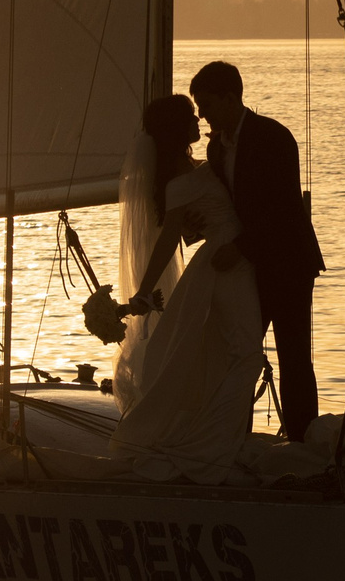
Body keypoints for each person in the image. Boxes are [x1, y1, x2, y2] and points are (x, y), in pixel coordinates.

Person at [108, 95, 266, 482]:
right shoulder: (179, 181)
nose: (199, 118)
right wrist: (144, 291)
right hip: (225, 265)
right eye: (189, 116)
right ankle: (208, 449)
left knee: (228, 355)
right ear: (176, 129)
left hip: (231, 258)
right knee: (246, 356)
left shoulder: (195, 166)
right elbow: (167, 243)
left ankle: (219, 441)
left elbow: (200, 221)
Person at [187, 59, 323, 439]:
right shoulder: (216, 150)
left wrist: (240, 248)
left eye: (208, 105)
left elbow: (282, 209)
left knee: (293, 356)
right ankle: (233, 438)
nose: (203, 116)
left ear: (231, 99)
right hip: (248, 269)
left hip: (288, 263)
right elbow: (227, 204)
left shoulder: (274, 138)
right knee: (240, 353)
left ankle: (302, 439)